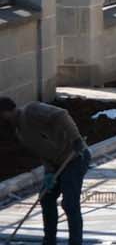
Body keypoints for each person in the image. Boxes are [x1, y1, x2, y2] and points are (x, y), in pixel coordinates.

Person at [0, 96, 89, 245]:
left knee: (69, 203)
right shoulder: (20, 132)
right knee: (46, 198)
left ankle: (75, 242)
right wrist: (49, 173)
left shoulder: (31, 110)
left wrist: (76, 139)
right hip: (57, 164)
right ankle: (49, 241)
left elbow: (61, 115)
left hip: (75, 157)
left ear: (7, 111)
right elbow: (43, 152)